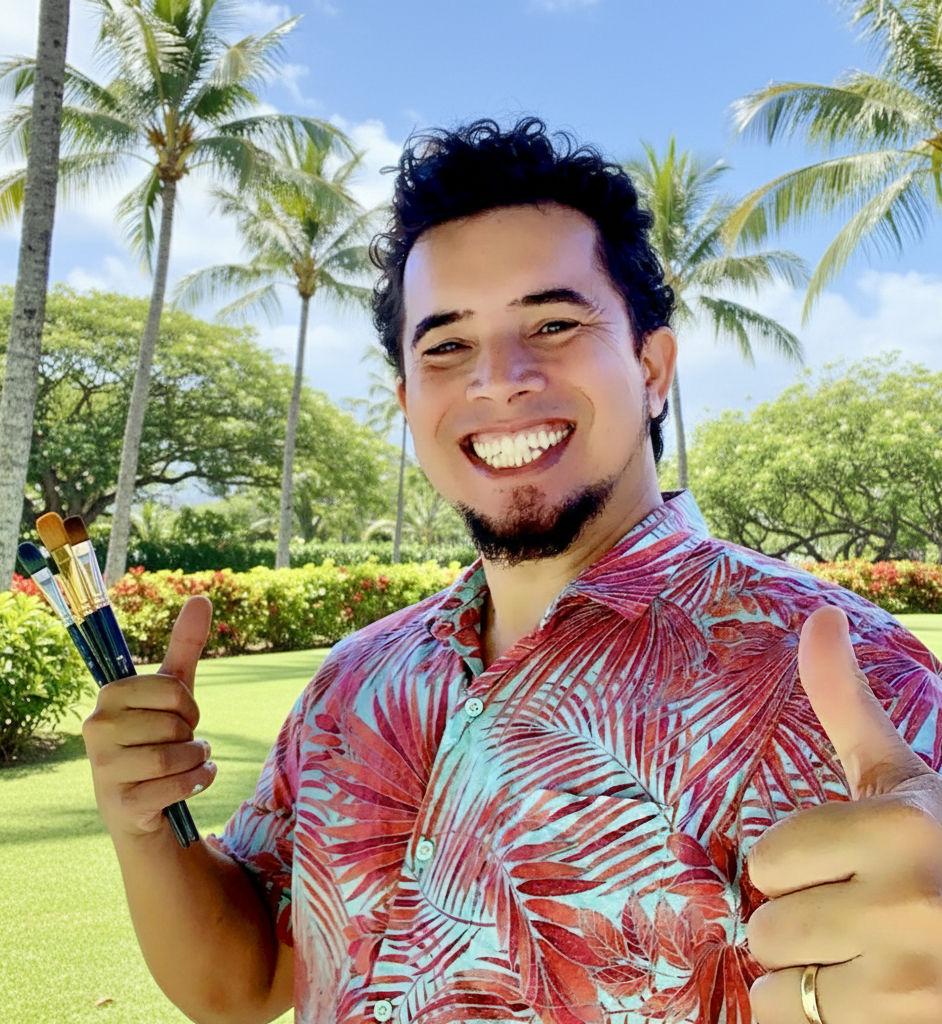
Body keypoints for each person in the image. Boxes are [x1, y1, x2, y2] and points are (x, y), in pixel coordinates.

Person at [83, 119, 942, 1024]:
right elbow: (246, 982)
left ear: (653, 368)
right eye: (446, 345)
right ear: (410, 401)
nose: (499, 378)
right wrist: (147, 827)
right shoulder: (355, 683)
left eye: (555, 323)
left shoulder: (843, 681)